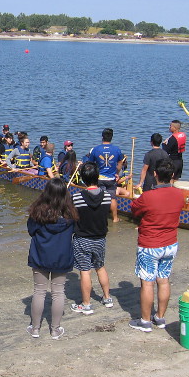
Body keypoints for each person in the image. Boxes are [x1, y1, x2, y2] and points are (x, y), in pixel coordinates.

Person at [129, 159, 184, 332]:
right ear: (172, 175)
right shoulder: (179, 194)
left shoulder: (148, 196)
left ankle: (145, 321)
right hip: (170, 243)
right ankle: (160, 318)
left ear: (155, 174)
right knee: (164, 280)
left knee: (147, 283)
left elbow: (134, 209)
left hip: (150, 244)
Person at [26, 178, 79, 340]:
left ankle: (35, 328)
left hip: (40, 256)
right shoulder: (70, 215)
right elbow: (75, 230)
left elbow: (31, 230)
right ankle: (55, 330)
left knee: (39, 291)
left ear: (46, 193)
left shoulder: (37, 213)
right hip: (61, 257)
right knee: (58, 292)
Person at [70, 161, 114, 315]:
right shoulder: (107, 196)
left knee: (85, 270)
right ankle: (107, 298)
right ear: (97, 176)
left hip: (82, 238)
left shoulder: (76, 197)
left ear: (83, 178)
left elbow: (71, 216)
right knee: (100, 267)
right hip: (100, 238)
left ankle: (86, 304)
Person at [83, 128, 125, 222]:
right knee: (112, 198)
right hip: (111, 178)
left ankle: (100, 217)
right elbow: (120, 163)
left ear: (102, 137)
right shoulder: (117, 149)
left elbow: (90, 164)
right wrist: (117, 173)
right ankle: (115, 218)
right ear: (112, 137)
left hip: (99, 178)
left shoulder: (96, 149)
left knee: (100, 198)